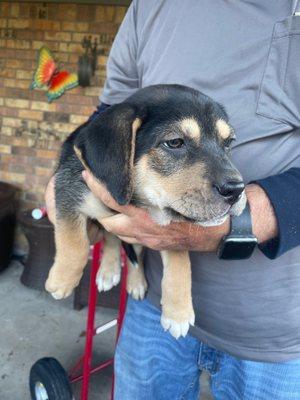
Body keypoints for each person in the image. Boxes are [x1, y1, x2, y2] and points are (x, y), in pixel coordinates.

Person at [46, 1, 300, 399]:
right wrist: (75, 181)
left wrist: (240, 222)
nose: (232, 178)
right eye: (177, 143)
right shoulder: (149, 6)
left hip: (276, 337)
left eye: (226, 144)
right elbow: (110, 115)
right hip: (152, 308)